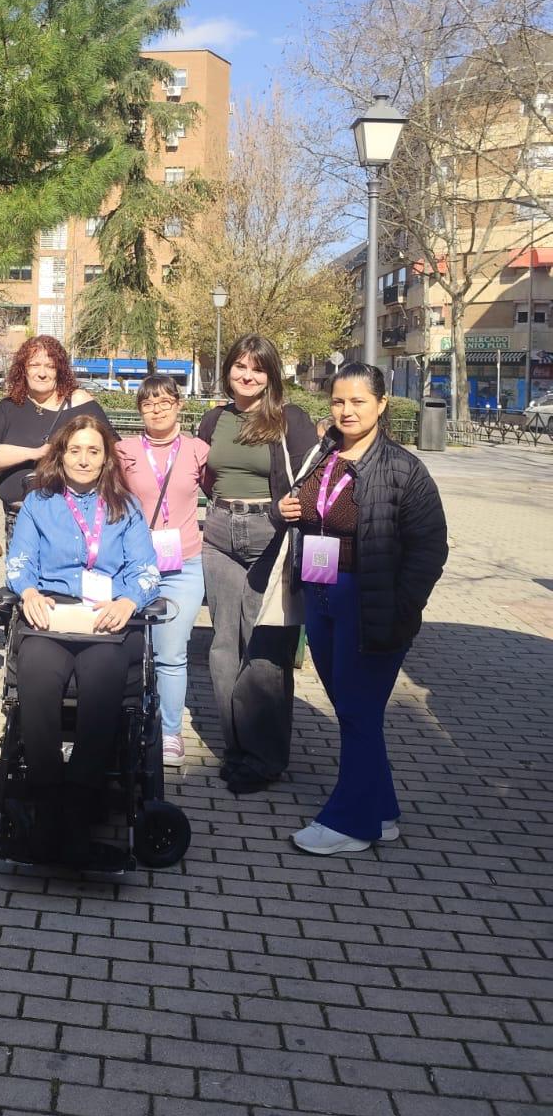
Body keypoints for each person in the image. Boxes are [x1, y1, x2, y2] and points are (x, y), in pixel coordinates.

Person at [276, 364, 447, 854]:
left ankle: (351, 822)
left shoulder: (402, 469)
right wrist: (287, 509)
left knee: (357, 711)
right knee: (355, 710)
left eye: (357, 402)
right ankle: (381, 810)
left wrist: (400, 607)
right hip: (321, 594)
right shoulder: (325, 452)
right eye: (337, 401)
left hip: (369, 604)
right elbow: (309, 509)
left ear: (381, 405)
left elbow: (430, 548)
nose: (346, 411)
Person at [5, 416, 161, 865]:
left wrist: (129, 603)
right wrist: (28, 591)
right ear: (61, 454)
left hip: (106, 619)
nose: (84, 458)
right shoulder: (39, 502)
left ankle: (78, 805)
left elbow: (145, 569)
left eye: (94, 451)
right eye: (75, 449)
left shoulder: (125, 507)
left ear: (106, 457)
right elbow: (19, 562)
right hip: (51, 613)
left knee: (104, 683)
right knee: (34, 677)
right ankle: (48, 799)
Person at [197, 334, 318, 795]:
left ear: (271, 375)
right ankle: (237, 746)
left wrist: (282, 508)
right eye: (239, 367)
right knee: (224, 644)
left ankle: (266, 757)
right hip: (220, 532)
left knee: (265, 645)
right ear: (228, 369)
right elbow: (205, 475)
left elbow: (312, 474)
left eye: (257, 369)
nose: (246, 376)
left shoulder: (290, 420)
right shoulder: (215, 418)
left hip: (271, 536)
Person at [115, 376, 209, 769]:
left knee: (171, 653)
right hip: (134, 566)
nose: (157, 410)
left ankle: (170, 732)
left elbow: (217, 493)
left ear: (179, 405)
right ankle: (121, 724)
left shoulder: (198, 450)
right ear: (139, 410)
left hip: (184, 565)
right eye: (148, 404)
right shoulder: (124, 450)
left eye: (165, 402)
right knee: (125, 649)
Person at [0, 336, 111, 539]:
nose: (42, 373)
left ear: (60, 371)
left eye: (50, 366)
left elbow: (112, 449)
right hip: (18, 517)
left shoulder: (79, 403)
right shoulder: (9, 407)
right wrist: (37, 453)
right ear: (24, 369)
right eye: (34, 365)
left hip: (70, 517)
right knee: (21, 571)